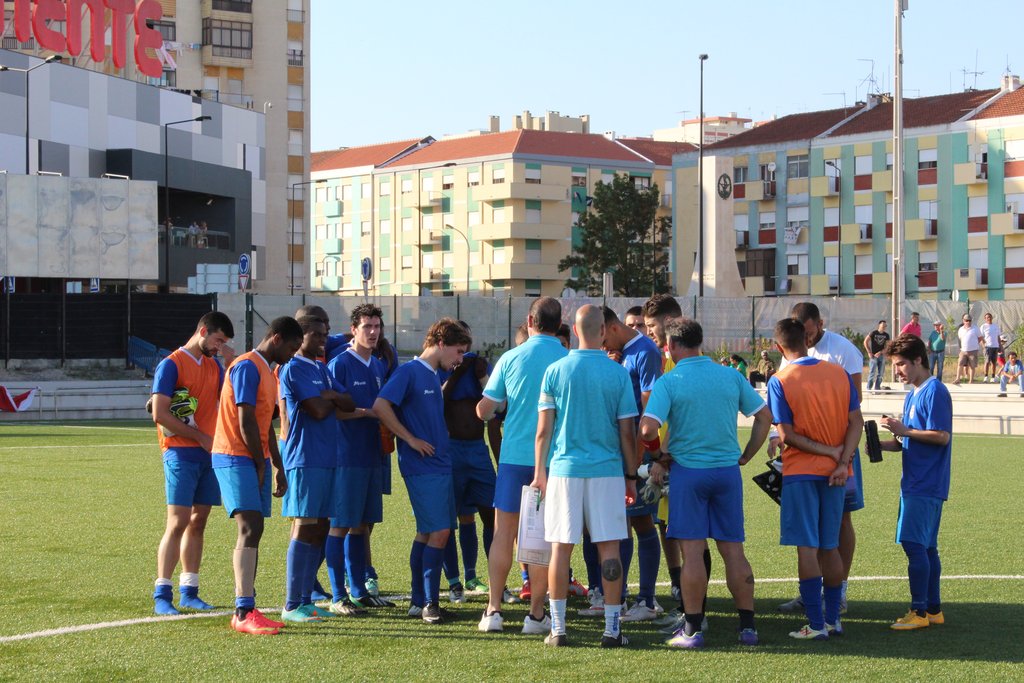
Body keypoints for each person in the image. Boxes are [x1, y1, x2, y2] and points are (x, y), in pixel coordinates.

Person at [639, 318, 772, 648]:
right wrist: (747, 454)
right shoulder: (730, 375)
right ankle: (748, 628)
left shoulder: (669, 381)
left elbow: (647, 429)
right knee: (733, 551)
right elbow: (764, 416)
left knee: (693, 552)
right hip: (727, 472)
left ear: (671, 346)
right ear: (700, 342)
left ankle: (692, 630)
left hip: (689, 473)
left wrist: (657, 455)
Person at [532, 304, 639, 648]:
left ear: (575, 330)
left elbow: (543, 431)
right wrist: (631, 475)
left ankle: (558, 629)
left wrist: (540, 473)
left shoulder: (555, 370)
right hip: (607, 471)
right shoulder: (617, 373)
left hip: (564, 470)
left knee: (560, 549)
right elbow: (627, 432)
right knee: (609, 548)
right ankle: (612, 630)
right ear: (604, 331)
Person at [767, 318, 863, 640]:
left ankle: (816, 624)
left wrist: (829, 452)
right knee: (830, 546)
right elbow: (856, 421)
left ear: (779, 347)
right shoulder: (838, 373)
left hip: (801, 473)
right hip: (837, 474)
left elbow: (786, 435)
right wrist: (842, 460)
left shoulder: (780, 380)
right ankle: (833, 620)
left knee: (807, 549)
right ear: (807, 340)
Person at [476, 297, 567, 635]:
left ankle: (493, 610)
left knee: (503, 533)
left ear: (530, 321)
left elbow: (485, 409)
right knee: (545, 538)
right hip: (555, 459)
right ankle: (536, 614)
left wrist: (495, 407)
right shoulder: (566, 358)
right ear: (559, 324)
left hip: (514, 457)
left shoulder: (511, 357)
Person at [373, 318, 471, 625]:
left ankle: (419, 602)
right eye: (458, 351)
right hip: (422, 466)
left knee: (428, 532)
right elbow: (380, 406)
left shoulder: (432, 374)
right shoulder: (409, 372)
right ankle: (430, 604)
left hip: (439, 464)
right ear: (441, 343)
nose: (460, 359)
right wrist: (410, 439)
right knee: (440, 532)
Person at [212, 316, 303, 636]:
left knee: (256, 528)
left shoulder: (268, 370)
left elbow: (265, 424)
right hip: (234, 456)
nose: (293, 354)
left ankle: (248, 606)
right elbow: (246, 420)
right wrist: (259, 462)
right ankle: (243, 611)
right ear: (276, 338)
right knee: (250, 526)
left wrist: (276, 463)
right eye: (292, 347)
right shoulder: (247, 366)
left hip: (253, 457)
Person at [150, 311, 234, 615]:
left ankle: (190, 591)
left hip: (208, 453)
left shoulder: (214, 365)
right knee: (178, 522)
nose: (219, 346)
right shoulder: (171, 364)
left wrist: (230, 363)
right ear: (203, 331)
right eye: (218, 340)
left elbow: (229, 398)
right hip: (180, 452)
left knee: (199, 521)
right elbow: (159, 413)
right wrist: (199, 437)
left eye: (223, 342)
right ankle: (162, 594)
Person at [278, 316, 355, 622]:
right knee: (305, 524)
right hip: (305, 457)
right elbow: (319, 410)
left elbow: (348, 402)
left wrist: (331, 395)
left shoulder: (321, 368)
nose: (324, 340)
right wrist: (331, 399)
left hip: (327, 457)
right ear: (302, 336)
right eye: (318, 335)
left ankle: (305, 599)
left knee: (321, 526)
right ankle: (291, 605)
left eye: (326, 334)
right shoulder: (294, 368)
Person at [324, 304, 395, 613]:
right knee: (340, 525)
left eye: (377, 326)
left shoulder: (377, 365)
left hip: (372, 455)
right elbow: (331, 411)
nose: (373, 332)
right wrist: (368, 413)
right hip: (346, 456)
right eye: (367, 326)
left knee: (361, 525)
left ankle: (358, 591)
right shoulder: (339, 364)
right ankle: (337, 595)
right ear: (353, 329)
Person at [879, 334, 952, 630]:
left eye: (900, 364)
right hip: (916, 481)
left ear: (918, 360)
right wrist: (883, 444)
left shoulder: (935, 391)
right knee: (927, 547)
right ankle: (933, 610)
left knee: (913, 545)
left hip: (926, 483)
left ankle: (918, 611)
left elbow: (941, 436)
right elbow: (907, 440)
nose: (896, 371)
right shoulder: (913, 394)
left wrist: (905, 431)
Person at [598, 305, 663, 622]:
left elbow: (648, 409)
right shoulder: (621, 353)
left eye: (603, 339)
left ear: (611, 328)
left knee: (640, 522)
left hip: (636, 452)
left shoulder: (645, 351)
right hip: (617, 450)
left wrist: (637, 459)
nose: (602, 347)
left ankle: (646, 600)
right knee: (620, 524)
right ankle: (619, 597)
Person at [438, 320, 500, 600]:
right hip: (450, 450)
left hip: (477, 450)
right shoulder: (442, 366)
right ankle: (454, 582)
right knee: (448, 519)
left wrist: (481, 376)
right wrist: (457, 373)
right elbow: (437, 401)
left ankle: (488, 579)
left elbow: (496, 409)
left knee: (491, 515)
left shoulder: (479, 366)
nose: (463, 353)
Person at [640, 293, 687, 629]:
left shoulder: (676, 366)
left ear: (669, 323)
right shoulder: (662, 360)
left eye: (651, 326)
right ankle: (682, 594)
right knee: (670, 529)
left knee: (689, 537)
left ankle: (692, 611)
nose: (648, 332)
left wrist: (661, 458)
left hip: (678, 464)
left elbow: (677, 420)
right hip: (671, 463)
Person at [954, 314, 983, 385]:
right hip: (963, 350)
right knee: (960, 363)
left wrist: (974, 344)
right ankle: (957, 379)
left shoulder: (975, 328)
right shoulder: (961, 329)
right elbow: (960, 338)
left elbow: (980, 338)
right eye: (966, 320)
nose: (968, 322)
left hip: (973, 351)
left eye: (969, 320)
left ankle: (971, 380)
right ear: (963, 321)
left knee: (972, 366)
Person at [863, 320, 891, 393]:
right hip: (873, 356)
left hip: (881, 356)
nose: (884, 327)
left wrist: (881, 352)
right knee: (872, 373)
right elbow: (865, 342)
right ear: (879, 325)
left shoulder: (886, 335)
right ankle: (869, 389)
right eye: (883, 325)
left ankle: (877, 389)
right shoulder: (873, 333)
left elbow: (888, 346)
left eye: (885, 326)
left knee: (880, 374)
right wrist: (869, 352)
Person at [980, 312, 1002, 383]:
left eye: (989, 317)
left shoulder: (996, 326)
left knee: (994, 362)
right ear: (985, 319)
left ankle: (993, 377)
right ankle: (986, 377)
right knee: (987, 362)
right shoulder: (983, 326)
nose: (988, 318)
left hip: (995, 346)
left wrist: (1000, 346)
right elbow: (981, 337)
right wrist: (983, 346)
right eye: (987, 317)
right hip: (987, 347)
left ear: (992, 318)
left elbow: (998, 337)